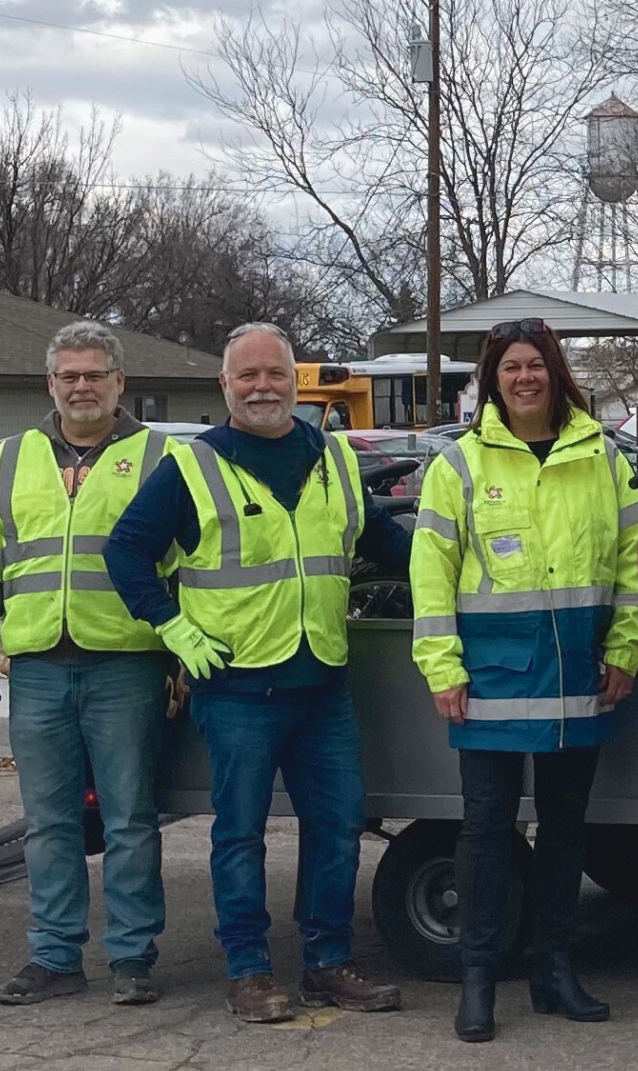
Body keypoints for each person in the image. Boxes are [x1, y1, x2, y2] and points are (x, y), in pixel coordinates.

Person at [104, 322, 411, 1023]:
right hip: (237, 685)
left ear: (296, 382)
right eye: (247, 376)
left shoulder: (330, 456)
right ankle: (247, 972)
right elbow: (126, 552)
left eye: (275, 373)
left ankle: (328, 964)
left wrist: (455, 581)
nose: (262, 387)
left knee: (335, 831)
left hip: (323, 679)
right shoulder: (193, 466)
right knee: (239, 834)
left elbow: (384, 542)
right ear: (225, 385)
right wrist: (173, 624)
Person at [410, 319, 638, 1042]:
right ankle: (477, 979)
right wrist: (441, 666)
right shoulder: (460, 464)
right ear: (492, 378)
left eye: (536, 364)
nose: (525, 377)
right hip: (492, 678)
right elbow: (431, 574)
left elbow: (635, 558)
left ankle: (554, 970)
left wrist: (627, 646)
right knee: (484, 830)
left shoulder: (602, 457)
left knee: (567, 829)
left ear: (556, 372)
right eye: (511, 366)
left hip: (579, 671)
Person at [0, 321, 176, 1007]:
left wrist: (179, 652)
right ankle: (54, 957)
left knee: (130, 819)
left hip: (127, 667)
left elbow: (191, 565)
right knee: (48, 822)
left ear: (120, 382)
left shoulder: (162, 459)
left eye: (95, 374)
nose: (82, 386)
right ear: (50, 384)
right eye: (69, 375)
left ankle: (132, 958)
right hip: (38, 671)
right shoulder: (8, 461)